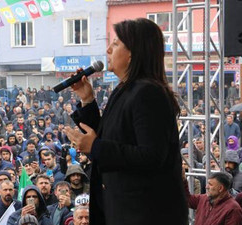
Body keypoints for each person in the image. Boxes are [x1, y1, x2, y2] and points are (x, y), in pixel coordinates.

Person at [63, 18, 188, 225]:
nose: (108, 50)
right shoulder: (125, 89)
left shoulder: (148, 93)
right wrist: (87, 99)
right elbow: (109, 136)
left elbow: (152, 155)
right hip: (123, 210)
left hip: (145, 213)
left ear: (133, 53)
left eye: (116, 43)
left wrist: (95, 147)